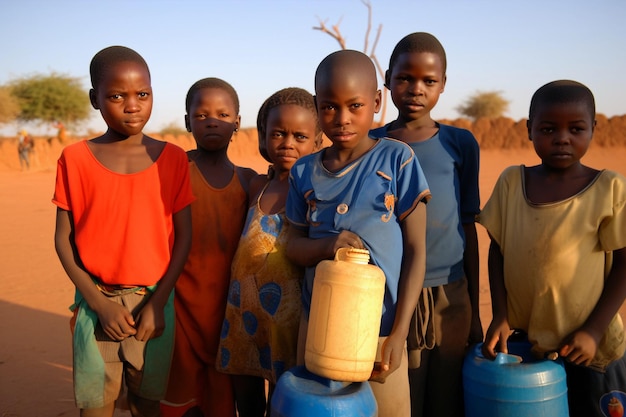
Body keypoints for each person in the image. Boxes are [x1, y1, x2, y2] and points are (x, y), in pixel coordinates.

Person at [286, 49, 431, 417]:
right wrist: (329, 245)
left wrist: (399, 334)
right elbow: (294, 248)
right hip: (318, 324)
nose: (342, 118)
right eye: (330, 107)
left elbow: (416, 250)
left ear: (377, 101)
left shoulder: (398, 160)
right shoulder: (304, 171)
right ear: (317, 106)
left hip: (381, 329)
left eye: (355, 105)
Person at [53, 45, 194, 417]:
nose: (133, 105)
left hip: (153, 304)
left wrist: (160, 303)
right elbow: (62, 241)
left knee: (147, 402)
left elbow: (184, 239)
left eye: (142, 94)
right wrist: (98, 304)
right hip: (96, 302)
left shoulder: (173, 158)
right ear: (95, 99)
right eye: (117, 96)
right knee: (95, 405)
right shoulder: (74, 159)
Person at [480, 80, 626, 417]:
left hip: (592, 349)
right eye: (548, 129)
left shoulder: (610, 188)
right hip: (530, 344)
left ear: (593, 128)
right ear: (530, 130)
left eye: (576, 129)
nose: (562, 138)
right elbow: (498, 249)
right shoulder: (512, 182)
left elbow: (622, 264)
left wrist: (593, 330)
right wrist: (500, 314)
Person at [369, 32, 482, 417]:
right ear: (387, 79)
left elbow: (466, 224)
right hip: (396, 293)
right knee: (408, 389)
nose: (416, 89)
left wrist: (476, 310)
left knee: (448, 391)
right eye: (404, 78)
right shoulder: (371, 144)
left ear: (443, 85)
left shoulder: (460, 143)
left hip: (452, 291)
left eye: (428, 81)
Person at [217, 87, 323, 416]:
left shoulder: (316, 191)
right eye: (278, 133)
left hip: (287, 324)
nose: (288, 143)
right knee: (246, 402)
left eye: (300, 136)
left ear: (317, 142)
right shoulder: (255, 186)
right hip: (242, 315)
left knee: (283, 401)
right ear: (263, 136)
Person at [161, 77, 257, 417]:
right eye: (200, 115)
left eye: (222, 113)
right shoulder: (172, 171)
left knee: (223, 395)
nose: (212, 120)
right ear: (187, 121)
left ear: (237, 122)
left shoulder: (250, 181)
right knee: (182, 399)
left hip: (228, 311)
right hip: (181, 306)